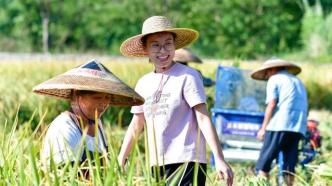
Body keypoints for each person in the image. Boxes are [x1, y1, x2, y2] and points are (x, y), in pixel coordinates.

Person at [118, 16, 233, 186]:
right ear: (146, 49)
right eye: (155, 45)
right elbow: (137, 123)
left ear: (174, 46)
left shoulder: (188, 76)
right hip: (156, 163)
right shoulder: (143, 83)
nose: (162, 50)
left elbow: (203, 118)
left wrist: (219, 158)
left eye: (168, 44)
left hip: (187, 161)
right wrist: (122, 156)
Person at [33, 60, 144, 174]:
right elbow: (67, 176)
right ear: (77, 95)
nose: (104, 103)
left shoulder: (97, 124)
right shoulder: (64, 129)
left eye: (107, 97)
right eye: (97, 97)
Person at [250, 57, 308, 186]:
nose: (267, 75)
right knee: (289, 166)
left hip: (279, 124)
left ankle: (261, 183)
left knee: (264, 163)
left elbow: (271, 104)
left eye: (267, 72)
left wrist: (263, 128)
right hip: (298, 126)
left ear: (273, 69)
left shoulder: (274, 79)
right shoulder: (297, 81)